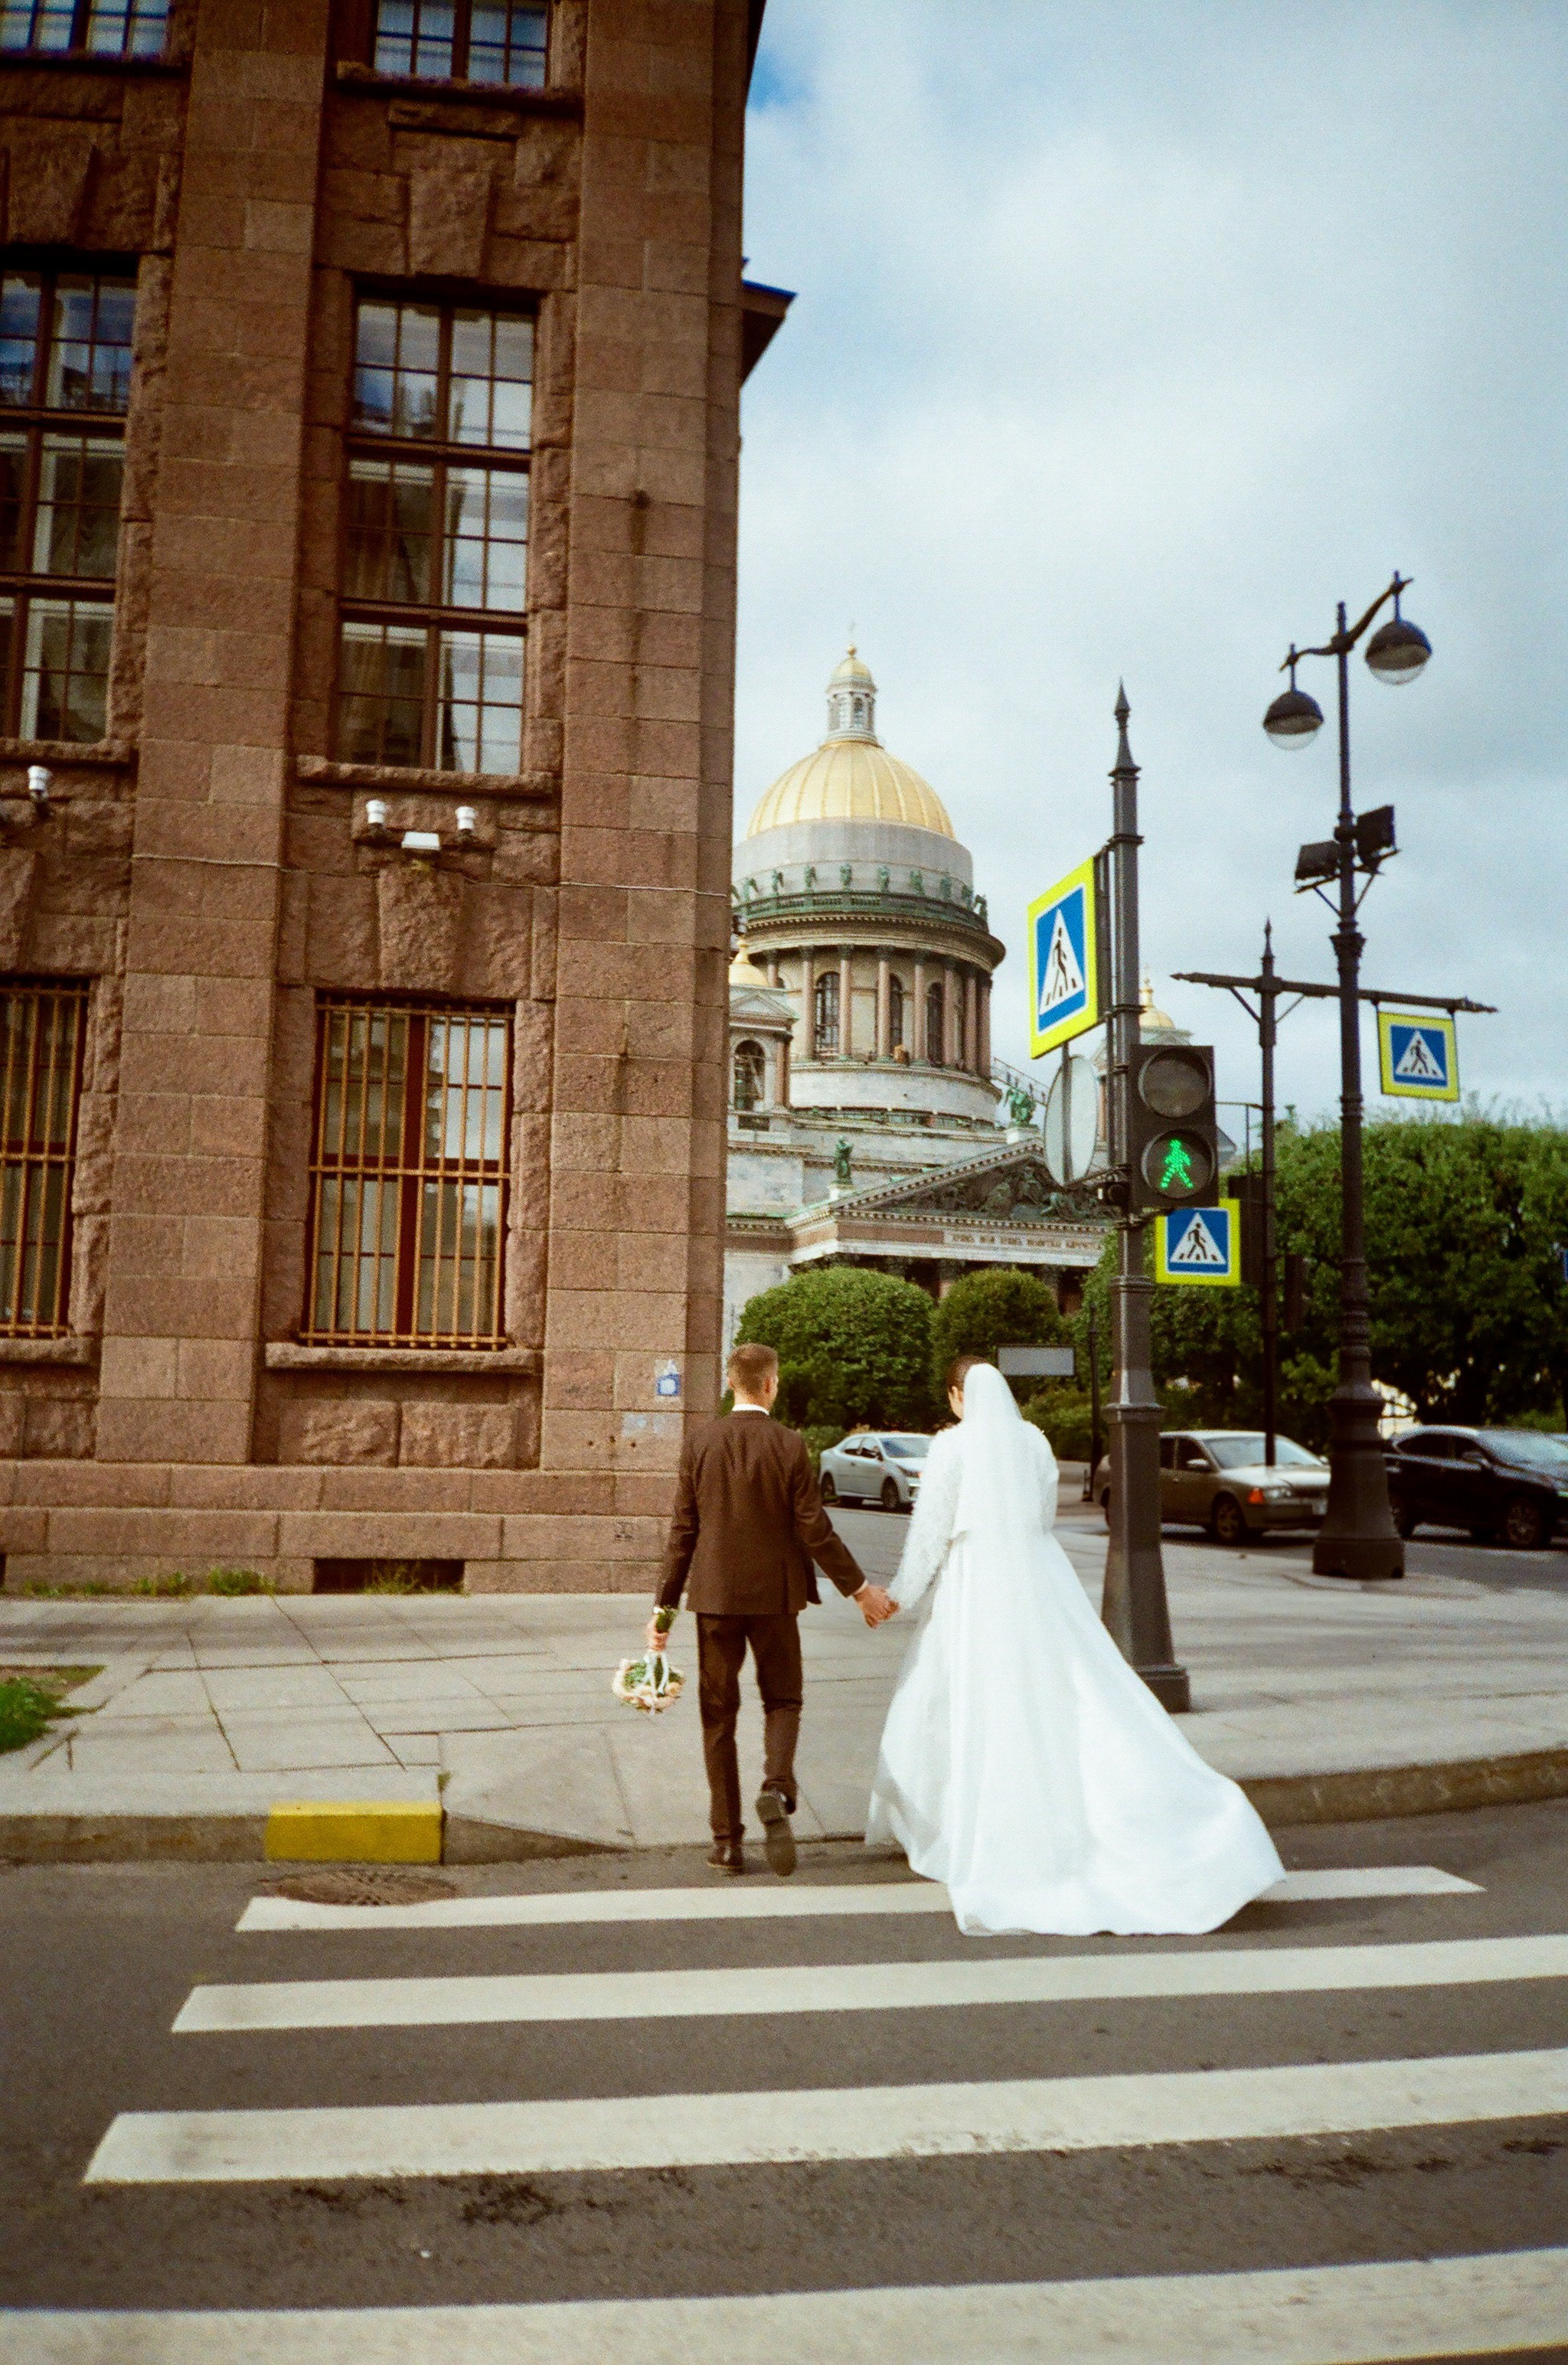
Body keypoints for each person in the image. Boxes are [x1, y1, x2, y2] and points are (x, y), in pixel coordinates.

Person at [865, 1354, 1284, 1935]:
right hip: (1040, 1574)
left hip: (977, 1581)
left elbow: (931, 1532)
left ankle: (971, 1823)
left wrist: (899, 1596)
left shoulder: (952, 1446)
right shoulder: (1035, 1442)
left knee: (973, 1697)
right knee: (1076, 1689)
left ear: (958, 1395)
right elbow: (1042, 1515)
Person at [650, 1342, 894, 1877]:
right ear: (769, 1385)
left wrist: (663, 1610)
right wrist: (860, 1591)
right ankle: (777, 1787)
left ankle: (726, 1843)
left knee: (719, 1716)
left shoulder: (700, 1442)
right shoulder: (788, 1444)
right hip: (776, 1599)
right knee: (783, 1699)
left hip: (716, 1599)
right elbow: (815, 1529)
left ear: (730, 1383)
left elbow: (682, 1532)